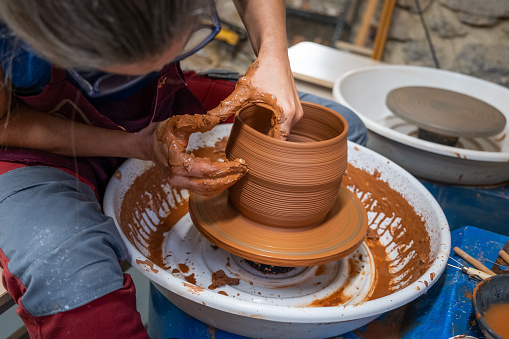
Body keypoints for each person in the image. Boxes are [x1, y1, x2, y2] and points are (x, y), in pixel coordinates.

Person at [0, 0, 367, 337]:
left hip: (157, 102)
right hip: (31, 140)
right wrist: (137, 145)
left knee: (345, 128)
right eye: (115, 73)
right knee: (74, 288)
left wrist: (273, 55)